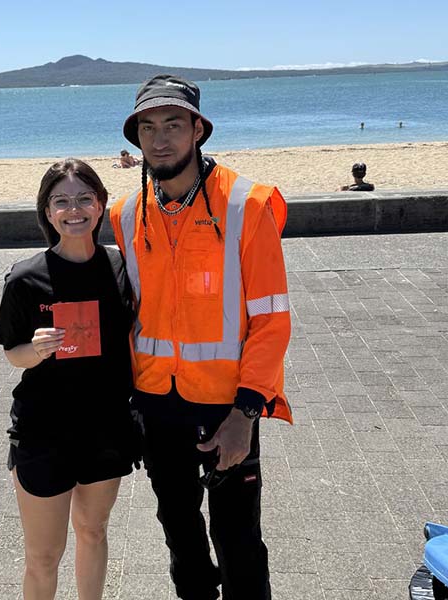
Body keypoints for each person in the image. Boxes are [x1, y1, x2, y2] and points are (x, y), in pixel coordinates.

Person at [109, 74, 292, 600]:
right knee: (181, 540)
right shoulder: (126, 214)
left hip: (227, 407)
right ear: (137, 138)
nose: (160, 138)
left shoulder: (246, 205)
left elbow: (272, 320)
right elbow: (131, 315)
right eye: (147, 128)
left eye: (172, 125)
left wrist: (245, 414)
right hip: (156, 408)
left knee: (238, 542)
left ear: (197, 130)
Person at [0, 159, 137, 600]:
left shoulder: (121, 268)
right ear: (48, 212)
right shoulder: (25, 278)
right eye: (61, 202)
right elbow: (11, 354)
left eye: (83, 199)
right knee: (43, 555)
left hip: (106, 428)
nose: (73, 210)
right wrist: (35, 351)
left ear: (100, 206)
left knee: (93, 532)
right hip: (44, 433)